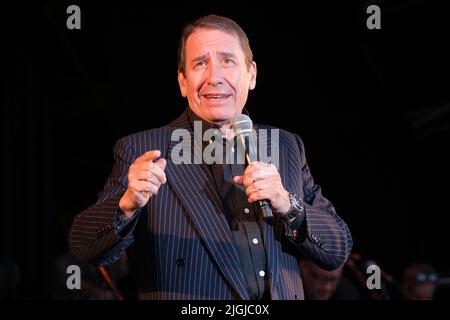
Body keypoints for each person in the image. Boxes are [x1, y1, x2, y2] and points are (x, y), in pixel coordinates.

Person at [70, 14, 352, 300]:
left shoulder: (286, 146)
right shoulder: (144, 149)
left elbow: (337, 248)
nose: (214, 77)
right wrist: (127, 206)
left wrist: (286, 203)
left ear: (251, 75)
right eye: (200, 63)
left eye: (228, 61)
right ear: (183, 81)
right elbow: (83, 246)